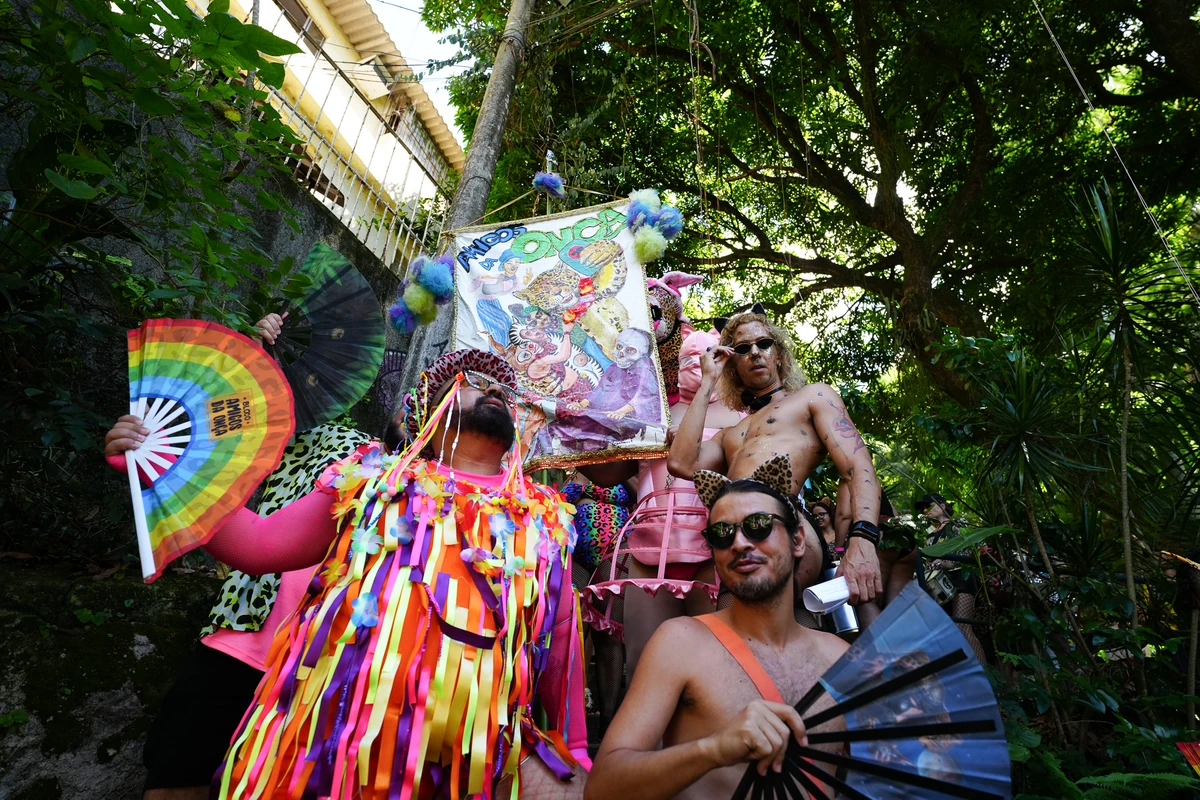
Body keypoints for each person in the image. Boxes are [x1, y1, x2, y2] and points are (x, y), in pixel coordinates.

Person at [107, 349, 588, 799]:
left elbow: (561, 637)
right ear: (431, 416)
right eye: (470, 382)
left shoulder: (547, 519)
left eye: (501, 390)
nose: (491, 392)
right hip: (330, 740)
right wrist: (160, 466)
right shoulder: (373, 480)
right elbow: (258, 545)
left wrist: (577, 749)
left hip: (459, 760)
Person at [586, 473, 849, 800]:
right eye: (722, 534)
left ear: (798, 540)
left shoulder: (841, 661)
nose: (739, 543)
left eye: (759, 526)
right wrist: (713, 750)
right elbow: (602, 787)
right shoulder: (681, 643)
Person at [666, 310, 883, 606]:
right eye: (743, 348)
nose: (755, 352)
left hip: (787, 524)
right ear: (733, 366)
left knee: (777, 617)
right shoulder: (730, 433)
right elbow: (681, 464)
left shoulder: (812, 397)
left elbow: (858, 468)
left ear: (778, 355)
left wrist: (864, 539)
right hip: (736, 535)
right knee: (739, 634)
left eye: (764, 343)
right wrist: (707, 382)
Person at [918, 493, 986, 663]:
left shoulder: (958, 525)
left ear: (942, 505)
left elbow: (973, 549)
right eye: (923, 508)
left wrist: (949, 562)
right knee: (946, 630)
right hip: (940, 584)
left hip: (962, 578)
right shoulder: (929, 535)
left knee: (963, 626)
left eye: (928, 505)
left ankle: (985, 673)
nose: (925, 510)